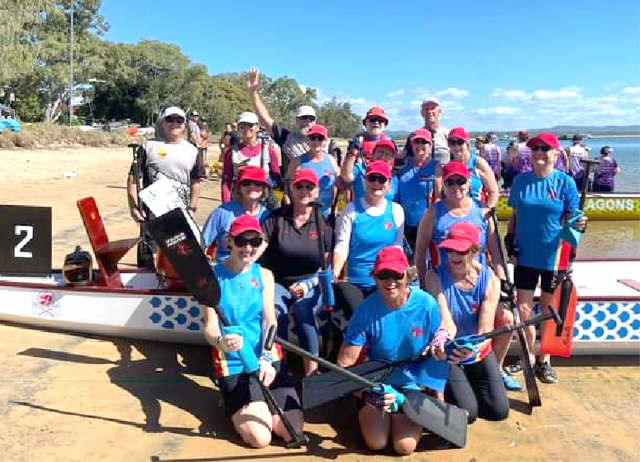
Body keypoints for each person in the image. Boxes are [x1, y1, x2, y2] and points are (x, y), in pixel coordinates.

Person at [337, 246, 450, 455]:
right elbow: (344, 365)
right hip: (377, 384)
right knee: (376, 442)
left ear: (407, 275)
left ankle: (402, 413)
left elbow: (438, 359)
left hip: (412, 385)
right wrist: (368, 392)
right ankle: (365, 411)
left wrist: (437, 409)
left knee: (404, 447)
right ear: (375, 276)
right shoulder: (365, 310)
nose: (390, 281)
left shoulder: (426, 304)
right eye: (383, 274)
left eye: (396, 274)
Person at [204, 214, 303, 448]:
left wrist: (267, 357)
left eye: (254, 242)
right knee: (261, 439)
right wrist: (220, 341)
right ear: (229, 241)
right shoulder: (212, 278)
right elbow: (208, 327)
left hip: (265, 358)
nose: (248, 248)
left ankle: (260, 401)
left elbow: (270, 321)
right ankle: (232, 402)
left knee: (292, 431)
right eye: (241, 241)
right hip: (234, 362)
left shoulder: (265, 275)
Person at [507, 132, 587, 384]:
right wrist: (509, 244)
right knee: (524, 309)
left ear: (555, 153)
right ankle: (529, 356)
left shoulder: (565, 183)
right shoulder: (521, 181)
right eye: (535, 149)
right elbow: (514, 217)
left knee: (551, 311)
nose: (539, 153)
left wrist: (582, 224)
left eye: (544, 149)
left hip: (555, 257)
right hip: (525, 255)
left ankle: (545, 361)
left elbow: (575, 219)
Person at [425, 222, 511, 422]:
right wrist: (452, 346)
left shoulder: (490, 280)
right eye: (450, 251)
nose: (454, 257)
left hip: (476, 348)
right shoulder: (434, 275)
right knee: (468, 414)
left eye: (461, 252)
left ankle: (466, 381)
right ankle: (448, 384)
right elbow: (447, 322)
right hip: (449, 350)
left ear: (474, 251)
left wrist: (472, 349)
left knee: (498, 411)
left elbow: (485, 329)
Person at [261, 169, 333, 376]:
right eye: (299, 186)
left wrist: (308, 284)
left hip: (311, 282)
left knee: (304, 311)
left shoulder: (323, 223)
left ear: (317, 191)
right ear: (291, 190)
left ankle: (312, 372)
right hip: (277, 281)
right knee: (276, 312)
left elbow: (326, 265)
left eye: (309, 187)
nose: (304, 191)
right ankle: (277, 368)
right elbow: (260, 248)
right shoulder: (276, 218)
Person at [126, 105, 205, 267]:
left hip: (180, 215)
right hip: (152, 216)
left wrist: (192, 208)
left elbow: (196, 182)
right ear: (162, 123)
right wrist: (133, 207)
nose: (174, 123)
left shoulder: (193, 151)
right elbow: (133, 179)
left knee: (180, 261)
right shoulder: (148, 147)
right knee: (149, 263)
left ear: (184, 125)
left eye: (179, 120)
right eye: (170, 119)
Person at [333, 160, 405, 317]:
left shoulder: (397, 211)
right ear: (365, 181)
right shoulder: (351, 210)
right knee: (361, 314)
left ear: (389, 183)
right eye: (372, 178)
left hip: (385, 281)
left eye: (381, 179)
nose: (376, 183)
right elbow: (341, 247)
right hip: (355, 281)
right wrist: (333, 275)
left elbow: (398, 248)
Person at [247, 67, 316, 173]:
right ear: (297, 120)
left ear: (315, 121)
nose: (307, 122)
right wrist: (253, 93)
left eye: (311, 118)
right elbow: (265, 119)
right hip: (292, 188)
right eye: (303, 118)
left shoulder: (325, 142)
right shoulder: (287, 138)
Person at [202, 166, 270, 263]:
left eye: (258, 184)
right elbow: (202, 243)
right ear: (239, 187)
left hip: (255, 271)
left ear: (264, 188)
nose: (252, 187)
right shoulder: (222, 212)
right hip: (224, 270)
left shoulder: (268, 216)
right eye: (246, 183)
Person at [395, 128, 441, 251]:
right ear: (411, 144)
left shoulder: (436, 167)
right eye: (416, 142)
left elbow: (440, 197)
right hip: (402, 223)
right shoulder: (402, 163)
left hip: (426, 224)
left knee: (424, 262)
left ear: (430, 145)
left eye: (424, 142)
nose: (420, 145)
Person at [221, 111, 281, 204]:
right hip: (239, 203)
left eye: (250, 125)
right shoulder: (231, 153)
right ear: (238, 128)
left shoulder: (268, 151)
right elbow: (226, 182)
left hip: (263, 204)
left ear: (257, 127)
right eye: (242, 126)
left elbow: (277, 179)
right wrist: (226, 205)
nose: (246, 128)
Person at [285, 124, 339, 216]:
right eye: (313, 138)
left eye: (320, 138)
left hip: (327, 215)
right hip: (303, 215)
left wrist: (335, 210)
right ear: (307, 140)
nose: (316, 141)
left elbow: (338, 186)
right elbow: (287, 189)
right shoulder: (297, 162)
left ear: (326, 141)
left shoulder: (331, 160)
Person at [447, 127, 500, 208]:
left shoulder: (478, 163)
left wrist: (487, 211)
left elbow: (493, 192)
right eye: (452, 142)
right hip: (454, 214)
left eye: (460, 142)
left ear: (467, 144)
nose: (456, 146)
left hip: (476, 213)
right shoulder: (447, 167)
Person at [341, 137, 398, 203]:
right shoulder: (361, 168)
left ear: (392, 159)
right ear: (373, 153)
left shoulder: (394, 177)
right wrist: (354, 151)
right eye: (380, 152)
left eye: (387, 154)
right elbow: (346, 176)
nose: (383, 156)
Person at [404, 97, 450, 166]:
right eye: (426, 109)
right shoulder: (413, 136)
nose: (430, 111)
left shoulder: (449, 135)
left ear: (440, 111)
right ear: (422, 113)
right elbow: (407, 160)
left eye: (433, 108)